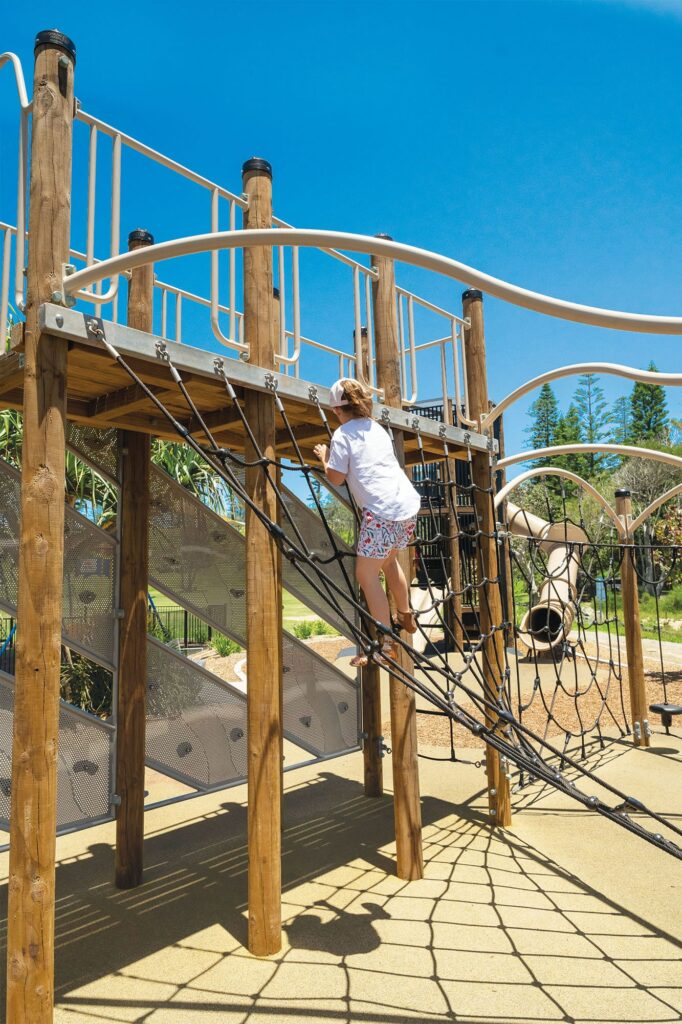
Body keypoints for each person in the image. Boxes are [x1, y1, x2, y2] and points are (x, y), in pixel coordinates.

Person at [313, 378, 421, 666]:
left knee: (366, 575)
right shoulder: (378, 429)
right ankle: (406, 614)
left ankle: (386, 647)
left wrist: (325, 458)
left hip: (382, 512)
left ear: (336, 410)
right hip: (407, 505)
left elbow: (336, 477)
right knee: (388, 562)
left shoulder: (342, 435)